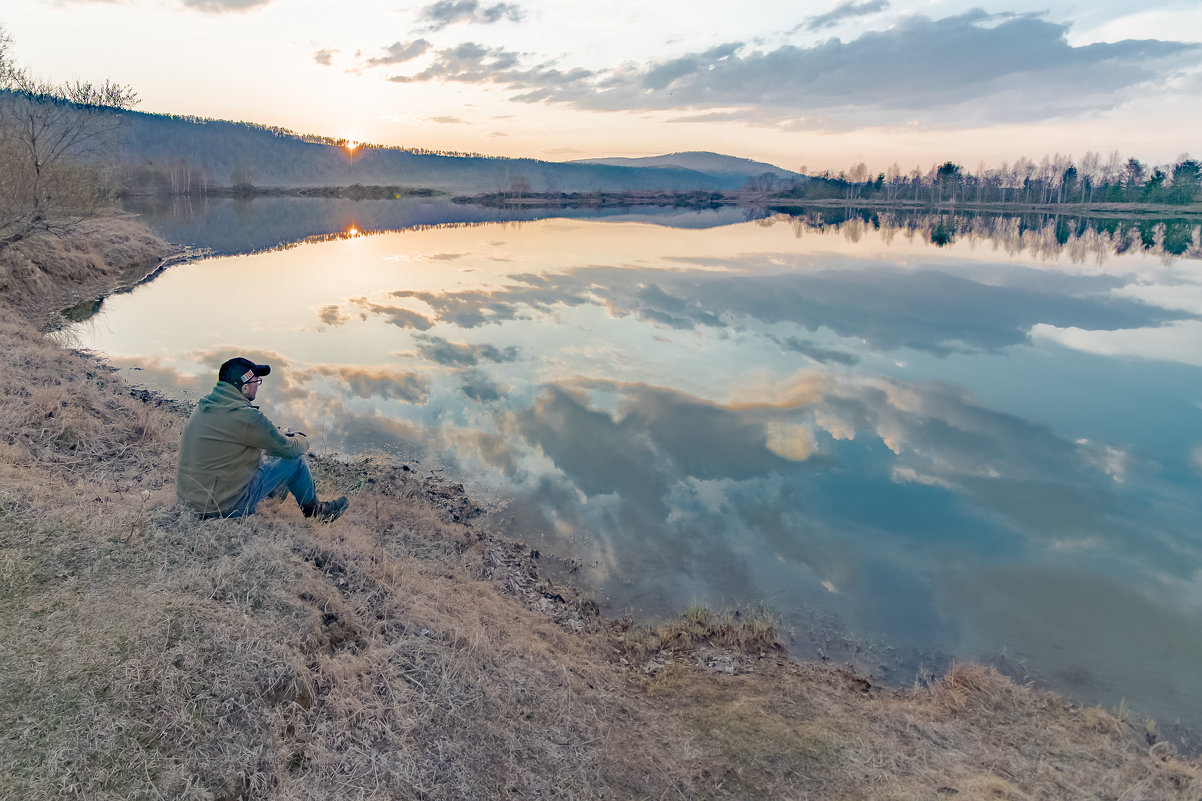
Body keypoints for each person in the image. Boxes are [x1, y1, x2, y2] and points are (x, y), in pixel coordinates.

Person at [176, 356, 348, 521]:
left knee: (272, 453)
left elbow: (245, 437)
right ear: (244, 388)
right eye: (255, 382)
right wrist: (301, 439)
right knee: (294, 459)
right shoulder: (245, 416)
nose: (257, 386)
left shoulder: (204, 407)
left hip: (191, 502)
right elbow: (288, 449)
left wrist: (278, 433)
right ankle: (317, 512)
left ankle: (271, 496)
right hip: (223, 508)